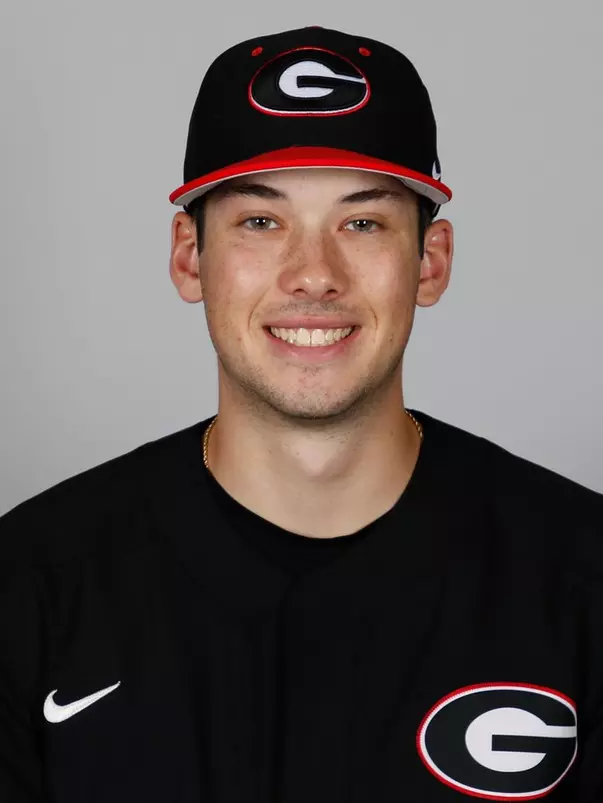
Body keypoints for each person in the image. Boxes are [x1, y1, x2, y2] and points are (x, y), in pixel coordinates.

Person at [0, 23, 602, 803]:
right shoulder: (32, 585)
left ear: (430, 260)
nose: (312, 274)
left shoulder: (579, 577)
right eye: (260, 221)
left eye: (362, 222)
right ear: (190, 256)